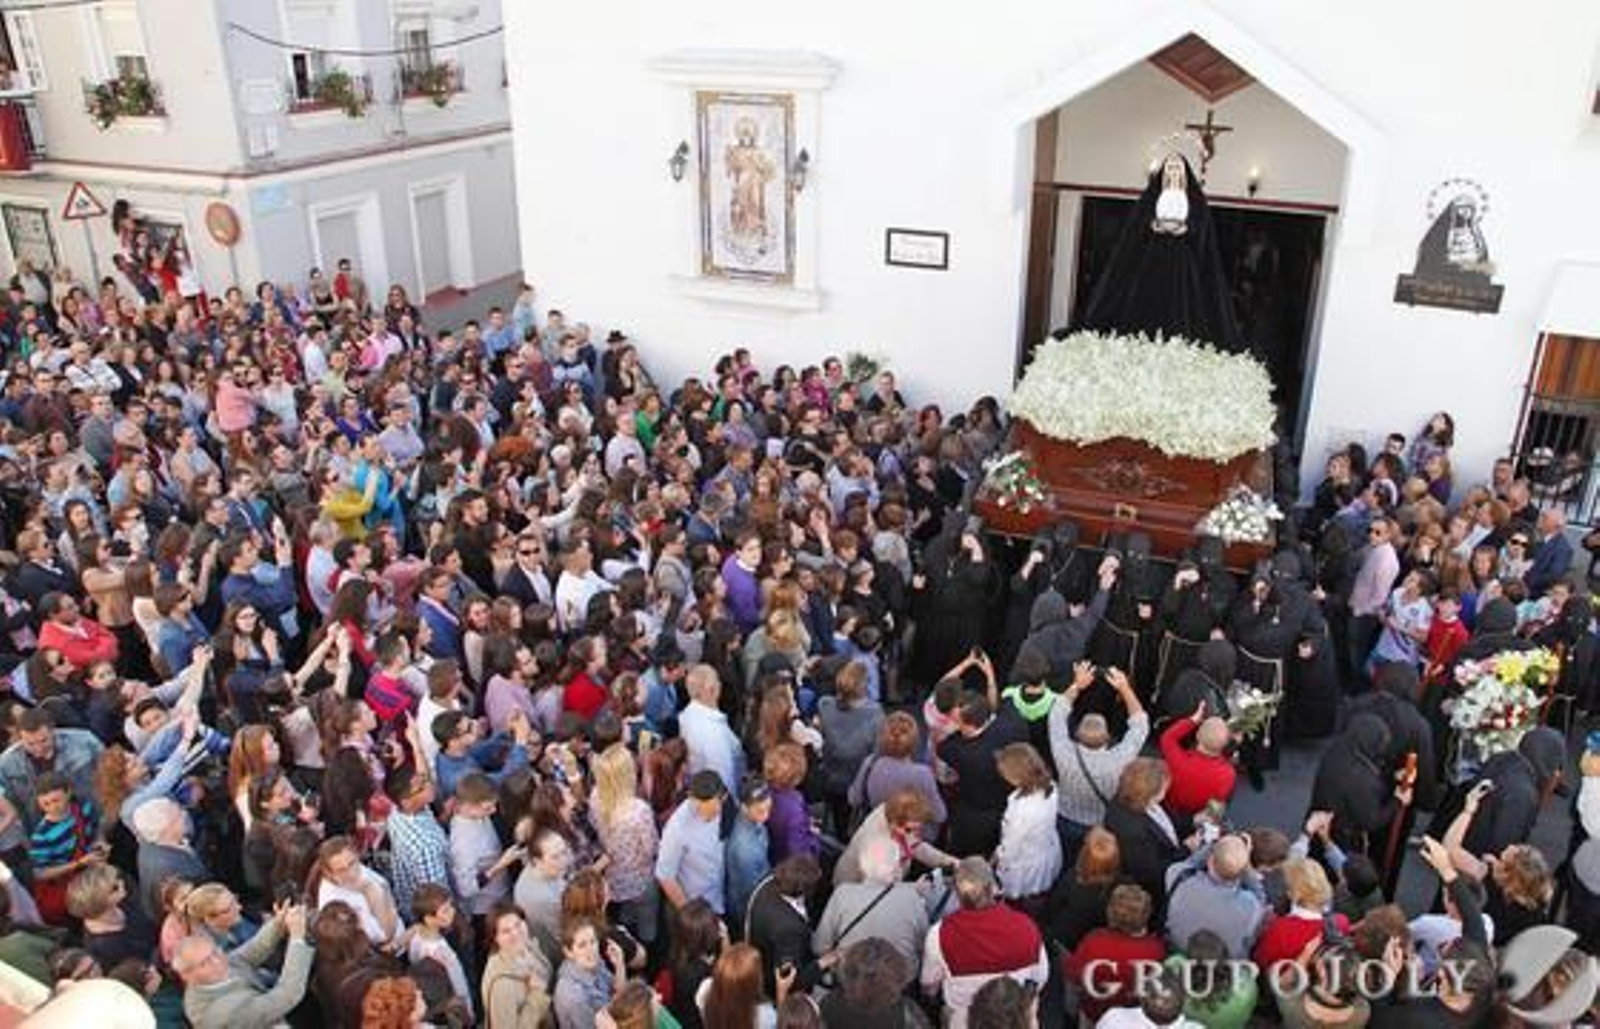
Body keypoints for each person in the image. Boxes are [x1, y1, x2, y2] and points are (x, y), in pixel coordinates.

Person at [919, 857, 1048, 1029]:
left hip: (962, 1017)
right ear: (993, 888)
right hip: (1011, 1018)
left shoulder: (939, 934)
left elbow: (929, 984)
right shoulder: (1027, 927)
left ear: (957, 893)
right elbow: (1040, 977)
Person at [173, 900, 313, 1029]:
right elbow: (286, 996)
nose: (216, 961)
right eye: (204, 963)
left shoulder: (221, 964)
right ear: (187, 976)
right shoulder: (219, 1013)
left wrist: (278, 922)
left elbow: (254, 948)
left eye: (215, 952)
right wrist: (297, 938)